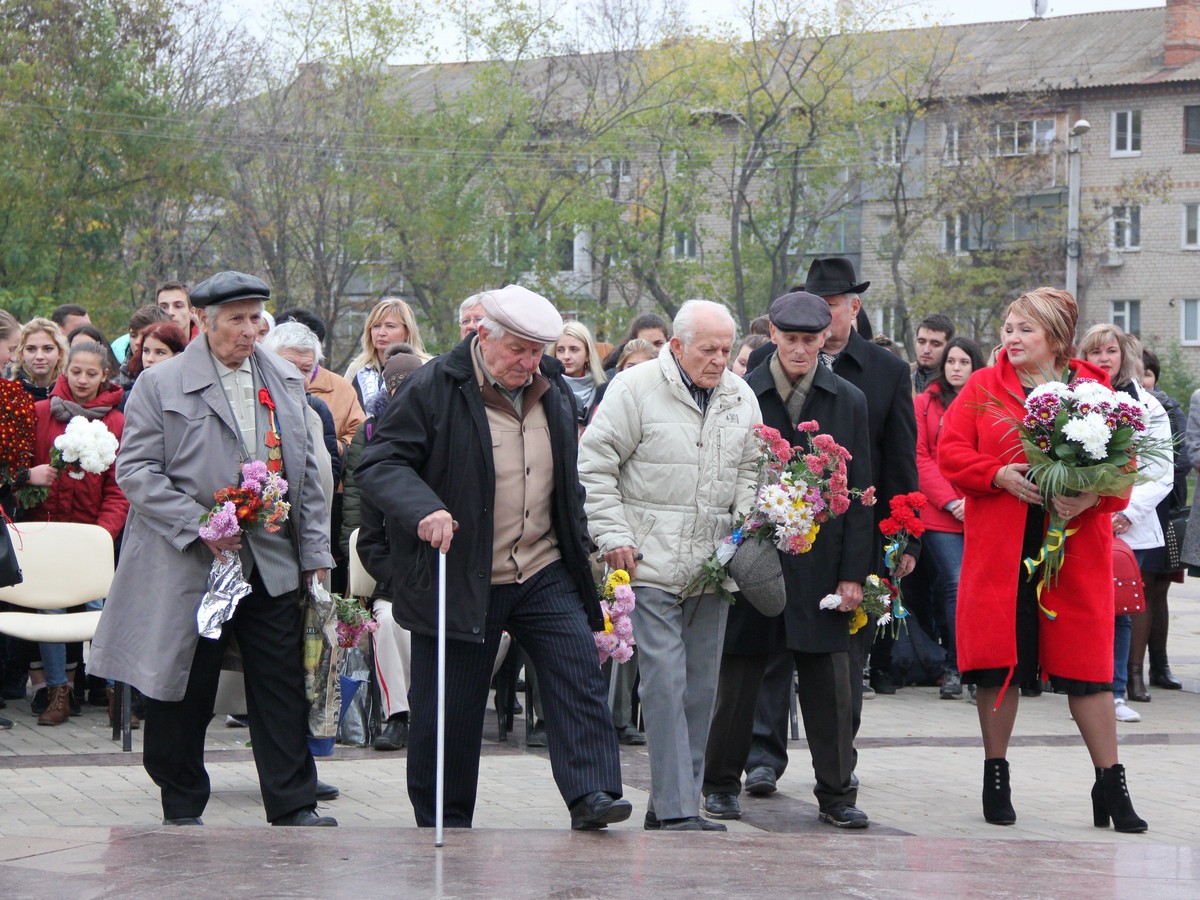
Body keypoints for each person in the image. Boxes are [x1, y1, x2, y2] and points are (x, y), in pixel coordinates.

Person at [354, 284, 629, 831]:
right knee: (450, 708)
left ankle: (593, 793)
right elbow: (379, 464)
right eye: (518, 351)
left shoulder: (549, 389)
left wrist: (589, 551)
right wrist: (424, 508)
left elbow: (564, 485)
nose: (529, 363)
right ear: (483, 336)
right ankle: (444, 815)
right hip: (462, 571)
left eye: (537, 351)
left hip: (543, 566)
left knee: (577, 671)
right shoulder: (434, 387)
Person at [89, 271, 337, 828]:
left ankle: (294, 803)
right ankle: (181, 803)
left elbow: (309, 477)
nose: (249, 331)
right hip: (192, 563)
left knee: (279, 685)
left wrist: (316, 554)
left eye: (255, 319)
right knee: (186, 685)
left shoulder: (283, 379)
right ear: (203, 321)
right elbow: (136, 471)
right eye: (236, 319)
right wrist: (200, 522)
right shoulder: (162, 383)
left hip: (270, 557)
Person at [939, 286, 1147, 833]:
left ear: (1056, 339)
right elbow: (950, 450)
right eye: (1008, 329)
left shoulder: (1094, 389)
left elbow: (1125, 471)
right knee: (998, 667)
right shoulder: (984, 387)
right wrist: (996, 474)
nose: (1011, 338)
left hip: (1073, 550)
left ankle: (1111, 784)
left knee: (1090, 673)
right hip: (1003, 552)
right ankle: (996, 774)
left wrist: (1092, 497)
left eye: (1024, 330)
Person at [580, 299, 761, 832]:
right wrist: (613, 536)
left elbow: (754, 467)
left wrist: (747, 527)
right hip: (649, 565)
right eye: (708, 349)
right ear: (676, 346)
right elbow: (593, 464)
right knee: (663, 683)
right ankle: (680, 807)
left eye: (727, 349)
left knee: (702, 690)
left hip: (713, 570)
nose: (719, 360)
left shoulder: (740, 396)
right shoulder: (633, 390)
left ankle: (673, 802)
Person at [702, 291, 873, 829]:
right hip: (755, 554)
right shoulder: (739, 393)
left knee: (829, 681)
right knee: (740, 675)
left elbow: (862, 489)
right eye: (790, 339)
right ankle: (721, 784)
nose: (799, 350)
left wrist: (852, 576)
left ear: (826, 338)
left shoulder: (847, 400)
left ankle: (837, 793)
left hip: (822, 562)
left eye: (809, 340)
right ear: (771, 334)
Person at [26, 340, 129, 725]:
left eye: (91, 373)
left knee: (101, 611)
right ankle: (58, 692)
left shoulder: (117, 420)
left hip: (93, 538)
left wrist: (101, 535)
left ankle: (119, 692)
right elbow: (27, 472)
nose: (82, 380)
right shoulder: (41, 413)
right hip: (48, 534)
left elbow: (120, 488)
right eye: (75, 372)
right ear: (65, 370)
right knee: (49, 610)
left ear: (105, 375)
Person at [1078, 325, 1172, 724]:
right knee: (1081, 604)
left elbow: (1161, 471)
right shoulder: (1073, 398)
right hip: (1080, 518)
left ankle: (1114, 690)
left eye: (1111, 350)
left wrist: (1124, 513)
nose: (1104, 358)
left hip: (1123, 525)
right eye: (1095, 351)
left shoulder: (1147, 406)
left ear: (1124, 355)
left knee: (1118, 608)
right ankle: (1079, 685)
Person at [342, 346, 426, 752]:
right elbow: (370, 539)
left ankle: (441, 711)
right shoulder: (380, 458)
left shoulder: (448, 449)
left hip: (455, 578)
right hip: (397, 583)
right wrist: (402, 580)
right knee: (389, 620)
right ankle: (399, 715)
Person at [915, 337, 984, 700]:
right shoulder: (924, 404)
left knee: (977, 590)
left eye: (964, 362)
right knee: (954, 584)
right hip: (940, 514)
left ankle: (976, 666)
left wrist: (970, 500)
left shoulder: (987, 402)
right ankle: (956, 667)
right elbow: (922, 457)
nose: (956, 368)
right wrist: (950, 501)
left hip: (980, 508)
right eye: (951, 362)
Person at [1138, 347, 1188, 695]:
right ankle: (1130, 669)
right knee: (1134, 589)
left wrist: (1156, 468)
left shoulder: (1167, 407)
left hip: (1164, 507)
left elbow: (1184, 456)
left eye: (1148, 373)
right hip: (1131, 510)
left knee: (1159, 589)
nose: (1142, 380)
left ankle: (1160, 664)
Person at [344, 298, 429, 411]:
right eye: (376, 326)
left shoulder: (426, 367)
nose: (381, 333)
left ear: (407, 332)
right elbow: (343, 411)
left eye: (390, 326)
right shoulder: (357, 368)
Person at [553, 321, 608, 426]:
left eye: (574, 349)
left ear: (587, 354)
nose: (566, 356)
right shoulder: (544, 388)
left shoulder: (604, 390)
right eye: (560, 350)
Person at [12, 318, 68, 402]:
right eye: (31, 349)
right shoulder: (9, 393)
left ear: (60, 353)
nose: (39, 356)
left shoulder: (72, 391)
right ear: (21, 353)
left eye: (48, 349)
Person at [600, 312, 670, 375]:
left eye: (658, 344)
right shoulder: (612, 380)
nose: (653, 350)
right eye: (644, 344)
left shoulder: (677, 374)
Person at [912, 313, 955, 393]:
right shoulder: (900, 377)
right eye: (921, 342)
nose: (926, 350)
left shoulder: (956, 383)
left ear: (949, 347)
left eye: (935, 344)